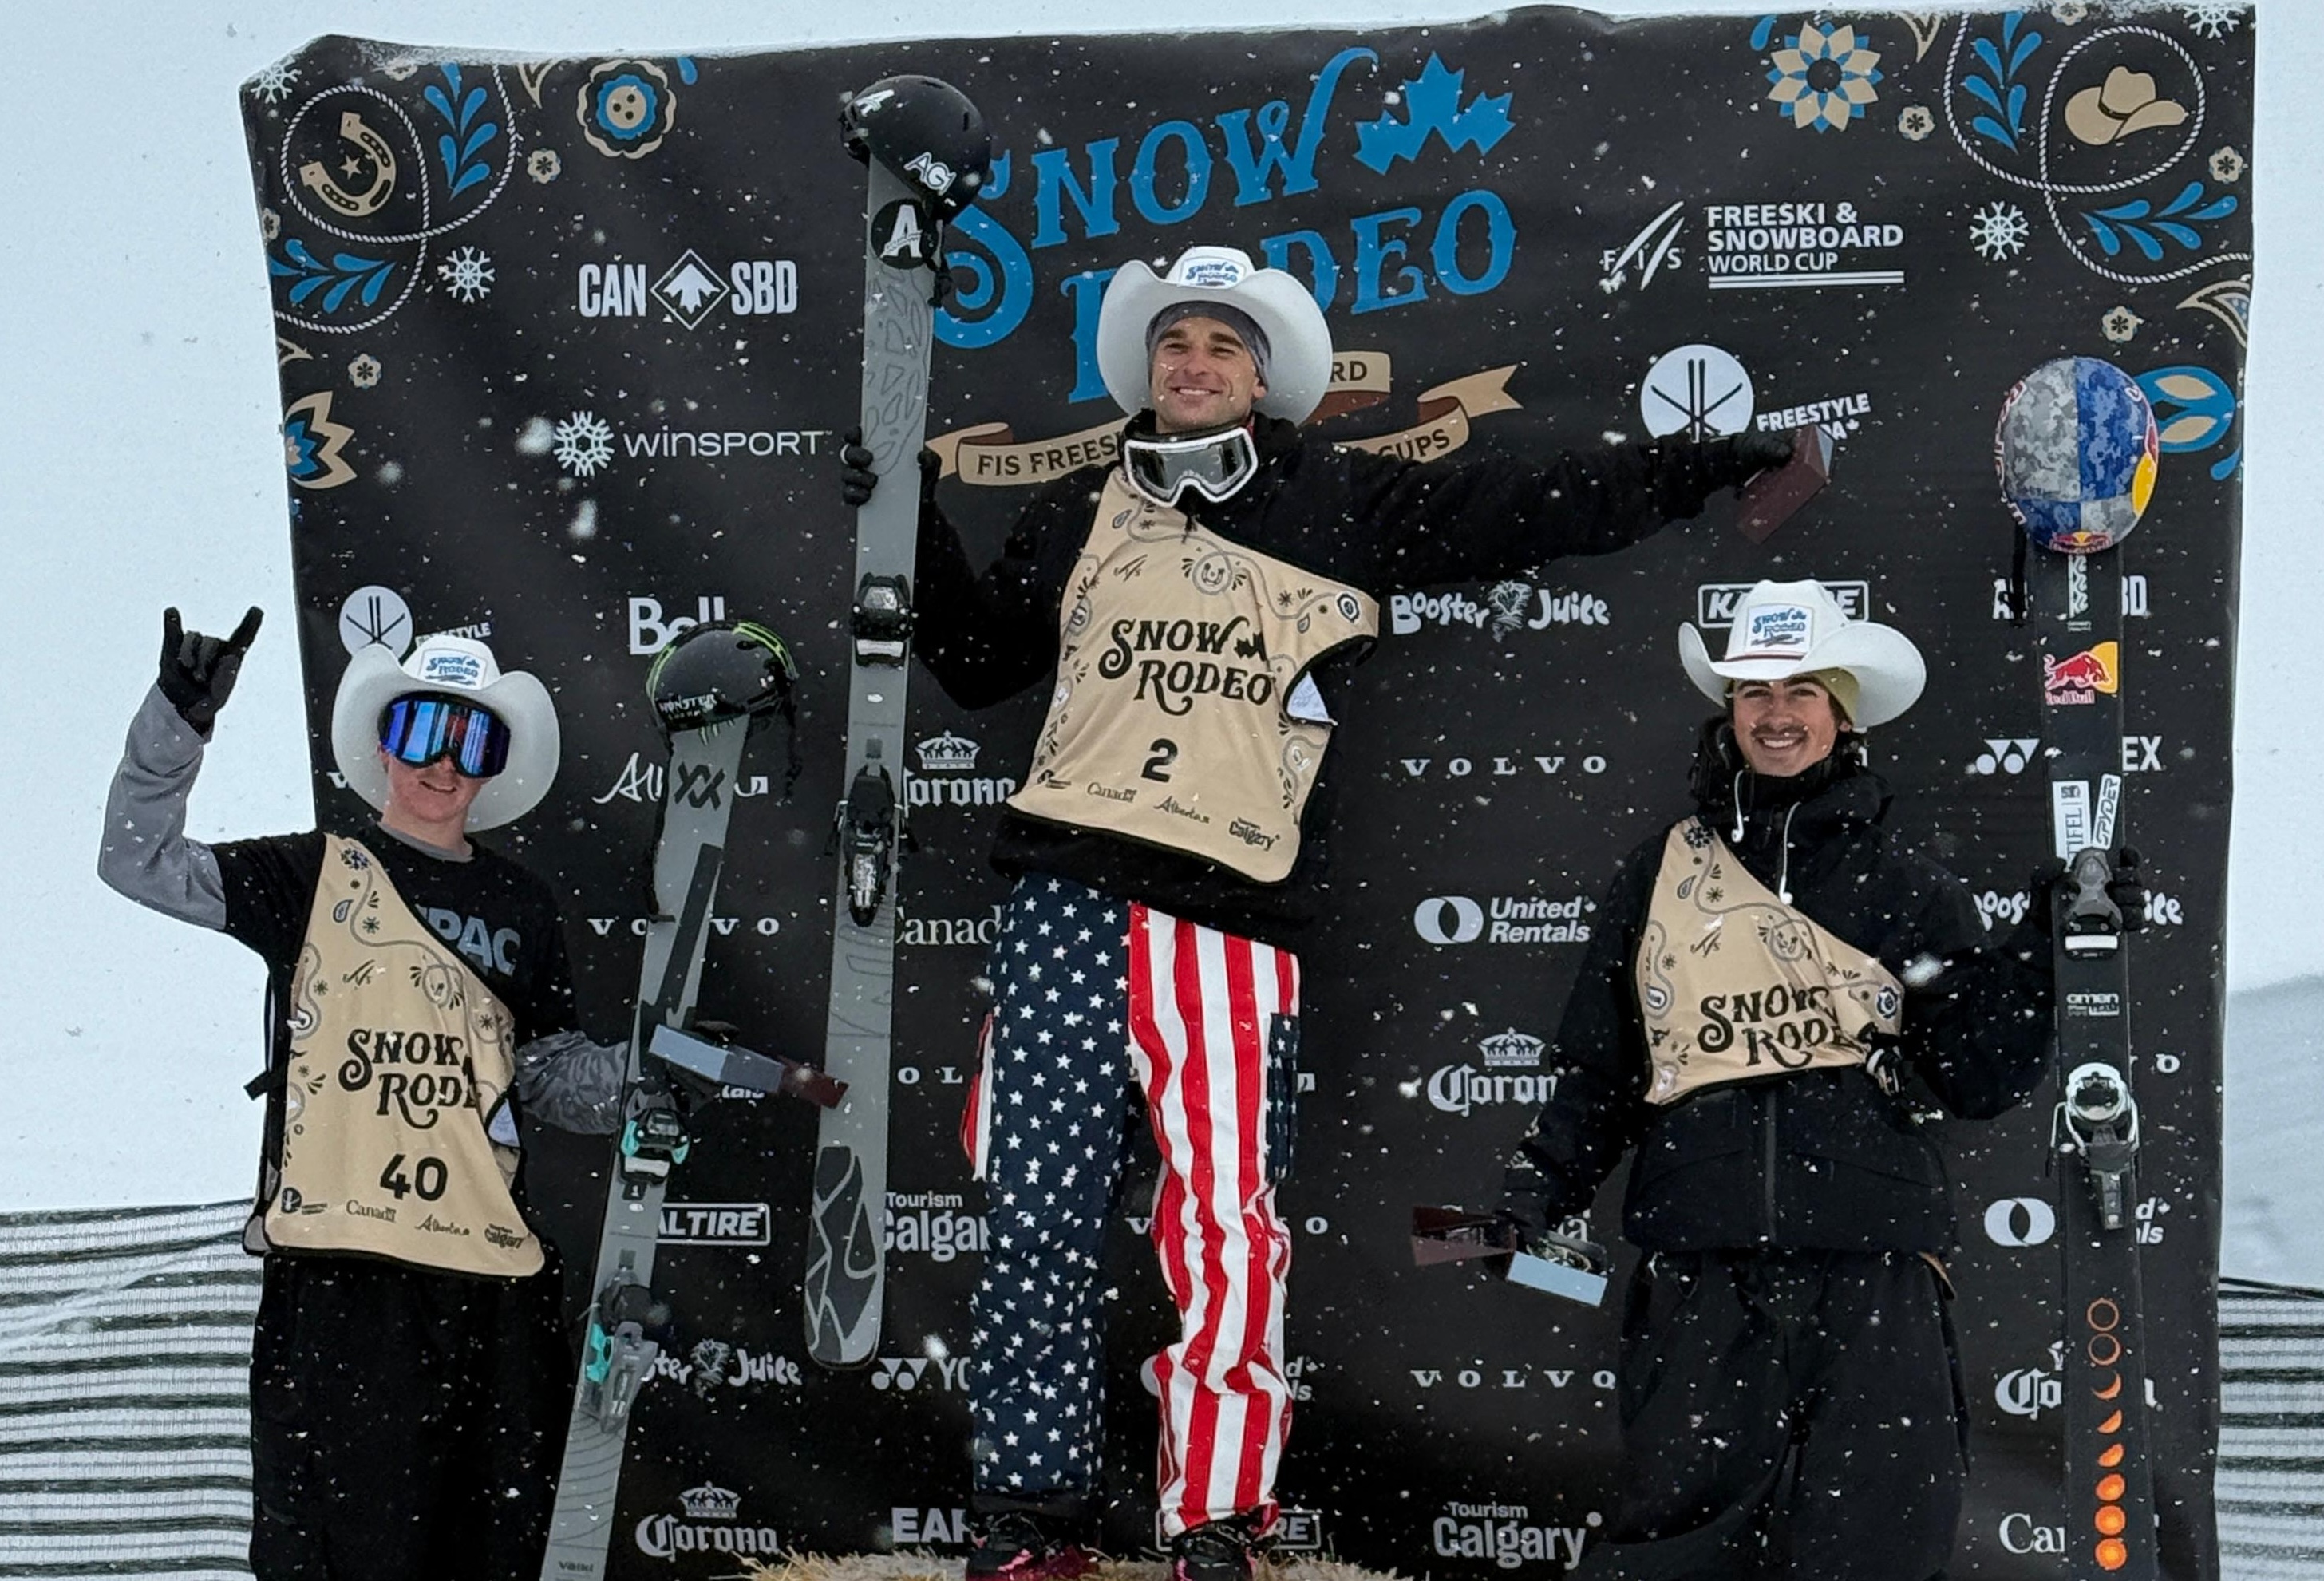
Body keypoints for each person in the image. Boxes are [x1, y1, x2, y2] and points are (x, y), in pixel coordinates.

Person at [844, 244, 1800, 1581]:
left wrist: (1701, 465)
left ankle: (1215, 1521)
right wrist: (908, 520)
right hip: (1063, 903)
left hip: (1229, 923)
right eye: (1174, 342)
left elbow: (1538, 501)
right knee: (1036, 1218)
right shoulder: (1073, 509)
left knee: (1226, 1234)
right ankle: (1029, 1515)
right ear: (1145, 370)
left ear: (1265, 382)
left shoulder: (1337, 501)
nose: (1193, 363)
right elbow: (978, 659)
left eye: (1222, 347)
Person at [1492, 579, 2122, 1579]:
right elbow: (1601, 1070)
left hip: (1872, 1265)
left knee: (1877, 1540)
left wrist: (2045, 951)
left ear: (1842, 714)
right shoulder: (1655, 875)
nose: (1775, 714)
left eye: (1801, 692)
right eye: (1753, 691)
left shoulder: (1907, 886)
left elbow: (1977, 1077)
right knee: (1677, 1543)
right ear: (1727, 711)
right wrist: (1535, 1191)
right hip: (1700, 1264)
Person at [98, 612, 630, 1581]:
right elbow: (137, 859)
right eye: (422, 730)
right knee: (342, 1556)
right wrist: (177, 719)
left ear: (495, 765)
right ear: (385, 743)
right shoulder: (311, 873)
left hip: (491, 1290)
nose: (443, 764)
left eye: (472, 740)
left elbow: (549, 1075)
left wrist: (646, 1079)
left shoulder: (522, 904)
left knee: (494, 1555)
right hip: (344, 1287)